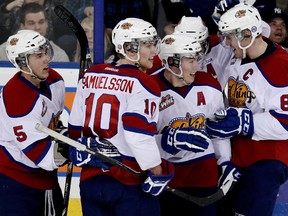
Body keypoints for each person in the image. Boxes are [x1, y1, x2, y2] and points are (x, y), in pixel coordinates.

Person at [68, 17, 175, 216]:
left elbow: (75, 127)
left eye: (154, 44)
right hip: (128, 183)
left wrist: (78, 149)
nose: (154, 51)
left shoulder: (91, 74)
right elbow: (137, 134)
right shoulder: (143, 82)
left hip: (91, 182)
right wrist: (156, 170)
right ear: (130, 49)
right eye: (148, 45)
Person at [205, 3, 288, 216]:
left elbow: (285, 123)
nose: (227, 43)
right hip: (236, 159)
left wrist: (242, 122)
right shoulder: (240, 56)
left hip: (266, 162)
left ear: (246, 35)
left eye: (230, 37)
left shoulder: (281, 66)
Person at [151, 33, 238, 216]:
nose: (197, 67)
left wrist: (224, 161)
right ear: (173, 62)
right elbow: (142, 138)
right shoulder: (150, 89)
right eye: (190, 61)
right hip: (166, 180)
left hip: (204, 178)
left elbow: (218, 128)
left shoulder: (209, 83)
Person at [0, 29, 68, 215]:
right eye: (38, 56)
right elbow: (44, 157)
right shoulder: (18, 100)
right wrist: (71, 148)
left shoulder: (54, 80)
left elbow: (54, 124)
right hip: (15, 184)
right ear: (22, 63)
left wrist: (64, 135)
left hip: (47, 181)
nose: (46, 59)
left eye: (45, 52)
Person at [0, 3, 69, 62]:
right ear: (22, 26)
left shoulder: (59, 56)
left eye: (41, 22)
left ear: (47, 24)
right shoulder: (3, 52)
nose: (37, 27)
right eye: (31, 23)